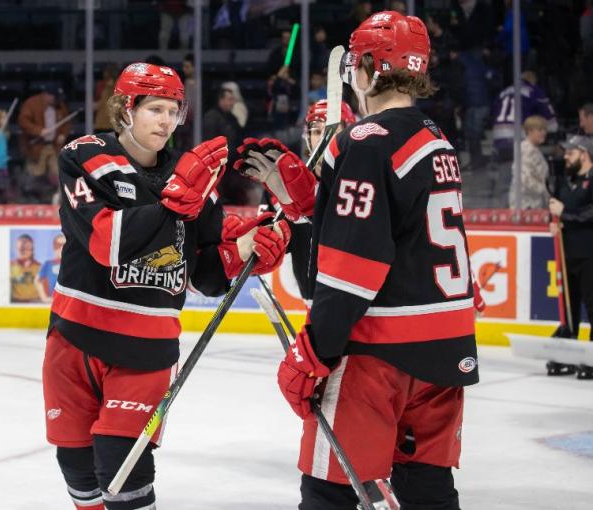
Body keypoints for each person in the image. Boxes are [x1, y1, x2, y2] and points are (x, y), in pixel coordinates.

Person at [42, 62, 290, 510]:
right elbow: (106, 242)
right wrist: (175, 206)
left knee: (123, 471)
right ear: (124, 109)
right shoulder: (84, 156)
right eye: (155, 108)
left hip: (146, 349)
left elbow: (208, 275)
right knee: (76, 469)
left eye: (174, 110)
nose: (166, 120)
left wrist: (249, 249)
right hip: (74, 341)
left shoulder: (194, 176)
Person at [276, 12, 478, 509]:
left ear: (366, 64)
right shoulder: (437, 138)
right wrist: (319, 205)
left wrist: (315, 350)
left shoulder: (367, 141)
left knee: (330, 491)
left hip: (380, 352)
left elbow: (351, 268)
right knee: (428, 489)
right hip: (445, 349)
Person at [234, 99, 358, 302]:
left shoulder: (361, 181)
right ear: (307, 138)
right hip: (311, 300)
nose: (324, 139)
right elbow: (273, 242)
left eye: (332, 130)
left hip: (357, 301)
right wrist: (260, 241)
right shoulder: (282, 181)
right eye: (317, 131)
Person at [548, 136, 593, 360]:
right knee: (568, 303)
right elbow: (556, 204)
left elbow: (589, 213)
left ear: (584, 154)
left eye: (571, 153)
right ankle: (570, 341)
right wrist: (553, 221)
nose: (565, 157)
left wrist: (564, 213)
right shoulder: (567, 180)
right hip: (568, 253)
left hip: (589, 254)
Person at [18, 85, 73, 202]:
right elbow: (23, 121)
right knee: (35, 173)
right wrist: (39, 131)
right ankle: (30, 198)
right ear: (47, 95)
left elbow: (66, 122)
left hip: (53, 146)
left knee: (56, 172)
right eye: (55, 97)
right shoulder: (31, 104)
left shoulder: (59, 105)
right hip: (36, 146)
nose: (57, 100)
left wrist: (62, 134)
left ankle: (56, 198)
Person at [508, 115, 549, 209]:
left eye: (544, 130)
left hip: (534, 203)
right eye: (540, 130)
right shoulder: (526, 150)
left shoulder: (534, 149)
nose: (544, 133)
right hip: (526, 205)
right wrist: (544, 190)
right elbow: (524, 179)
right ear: (530, 131)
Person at [34, 233, 66, 303]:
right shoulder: (48, 264)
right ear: (54, 247)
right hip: (53, 300)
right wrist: (44, 297)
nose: (61, 248)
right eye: (58, 245)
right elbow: (37, 280)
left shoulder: (73, 264)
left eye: (64, 245)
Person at [11, 234, 41, 302]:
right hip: (16, 303)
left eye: (27, 248)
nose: (24, 251)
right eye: (21, 248)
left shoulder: (40, 267)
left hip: (36, 302)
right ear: (17, 249)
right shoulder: (10, 267)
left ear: (32, 249)